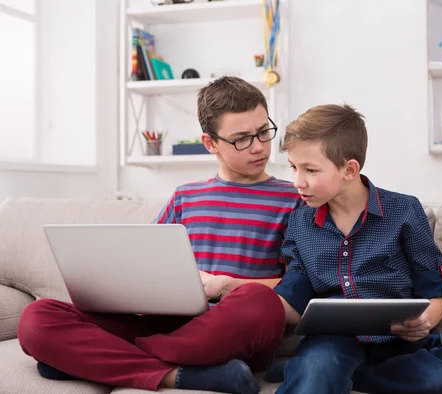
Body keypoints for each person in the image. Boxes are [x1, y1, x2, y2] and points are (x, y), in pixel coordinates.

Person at [17, 77, 302, 394]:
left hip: (232, 327)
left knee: (259, 302)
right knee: (37, 318)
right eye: (242, 139)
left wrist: (227, 285)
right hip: (167, 321)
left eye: (264, 131)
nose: (260, 146)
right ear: (210, 143)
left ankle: (100, 357)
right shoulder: (186, 197)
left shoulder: (295, 199)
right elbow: (144, 265)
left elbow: (296, 289)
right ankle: (179, 374)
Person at [269, 104, 442, 394]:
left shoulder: (404, 210)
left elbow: (435, 291)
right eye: (294, 167)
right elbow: (294, 291)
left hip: (403, 343)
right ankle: (319, 371)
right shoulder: (299, 222)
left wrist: (422, 323)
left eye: (310, 170)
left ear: (349, 169)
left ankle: (344, 377)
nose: (298, 181)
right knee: (318, 364)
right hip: (333, 342)